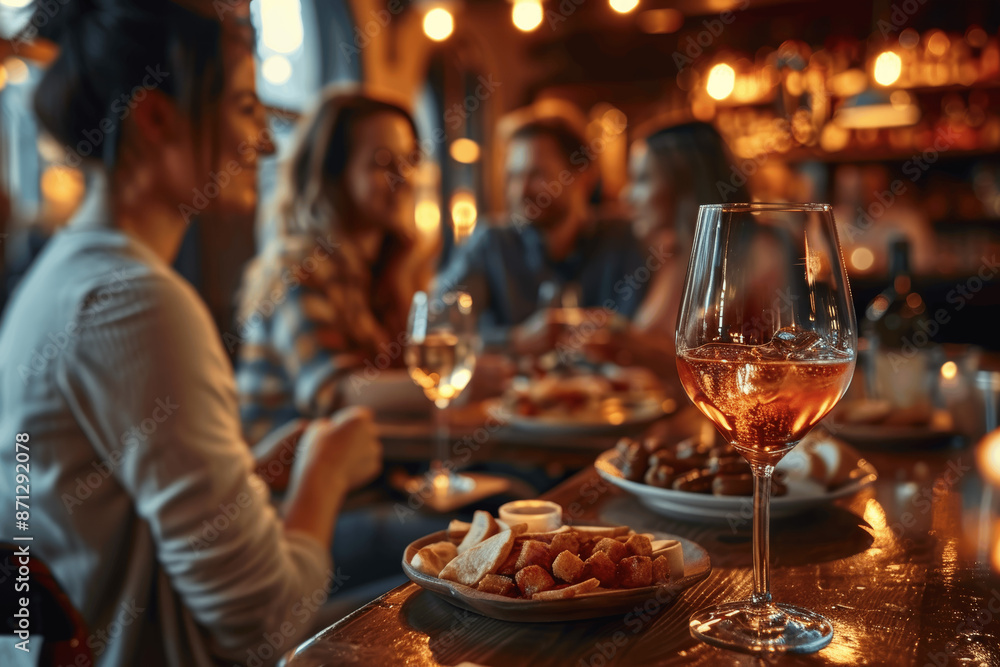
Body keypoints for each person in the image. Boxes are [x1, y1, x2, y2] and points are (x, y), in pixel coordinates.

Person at [0, 3, 381, 666]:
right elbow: (263, 622)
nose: (265, 143)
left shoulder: (67, 277)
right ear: (155, 119)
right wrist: (326, 471)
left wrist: (248, 476)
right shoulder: (134, 303)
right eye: (244, 107)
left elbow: (115, 513)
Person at [235, 88, 433, 448]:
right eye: (382, 163)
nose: (403, 177)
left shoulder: (391, 267)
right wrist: (450, 384)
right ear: (332, 173)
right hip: (289, 478)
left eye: (409, 160)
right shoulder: (297, 267)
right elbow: (334, 393)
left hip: (369, 465)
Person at [434, 108, 649, 356]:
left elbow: (642, 338)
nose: (520, 191)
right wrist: (515, 341)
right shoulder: (491, 243)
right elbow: (437, 328)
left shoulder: (624, 240)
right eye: (513, 177)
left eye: (536, 175)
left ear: (583, 175)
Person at [583, 121, 749, 385]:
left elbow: (734, 374)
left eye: (642, 179)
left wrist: (633, 346)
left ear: (685, 182)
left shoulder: (754, 258)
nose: (626, 195)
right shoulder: (673, 254)